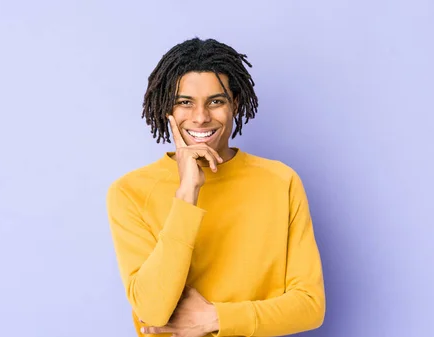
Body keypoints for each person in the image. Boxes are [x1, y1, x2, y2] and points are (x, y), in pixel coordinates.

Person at [106, 37, 325, 337]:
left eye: (216, 101)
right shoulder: (129, 192)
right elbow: (153, 311)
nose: (200, 117)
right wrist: (187, 193)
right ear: (167, 109)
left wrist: (215, 318)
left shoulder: (281, 182)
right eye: (185, 102)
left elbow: (310, 306)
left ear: (234, 103)